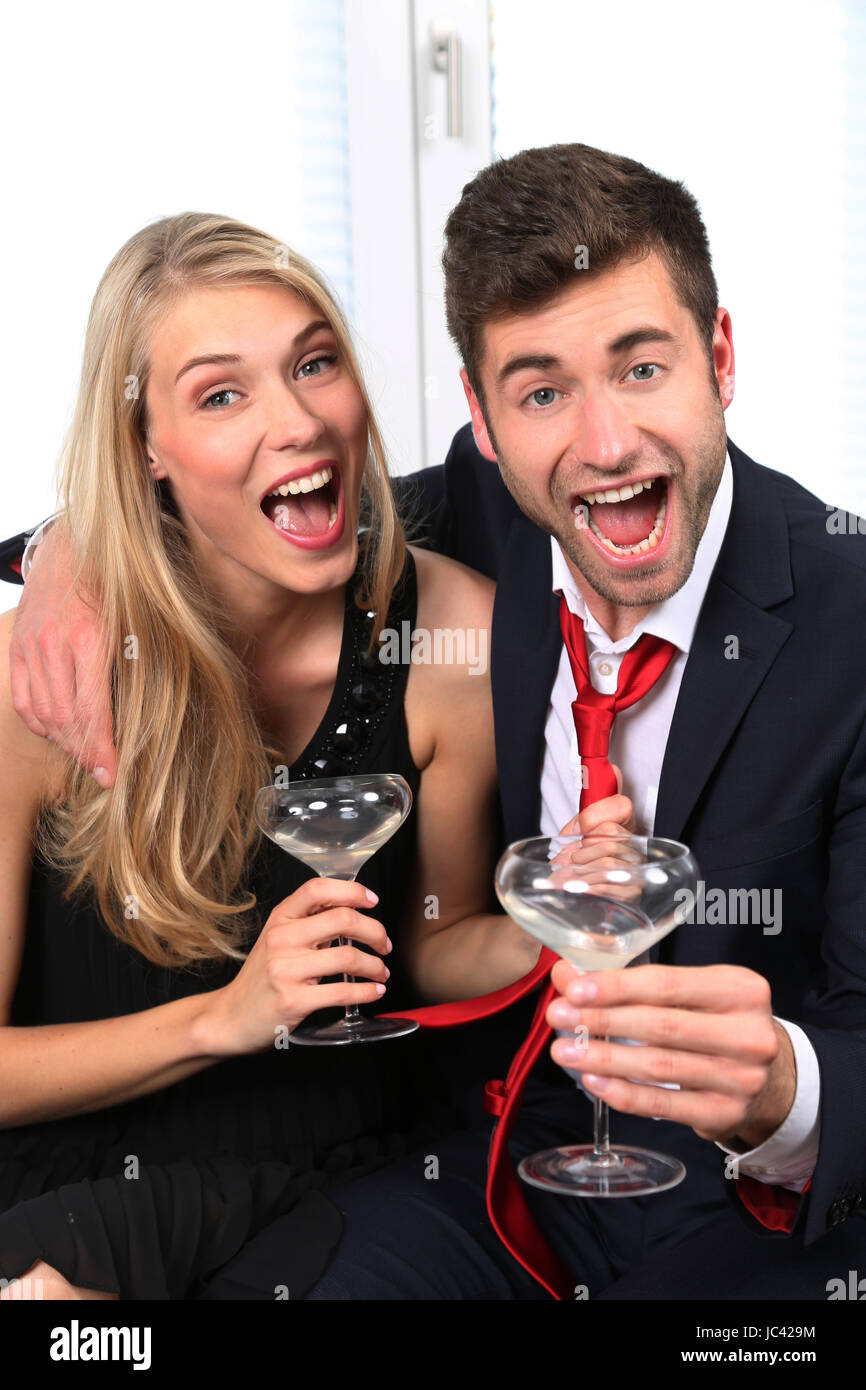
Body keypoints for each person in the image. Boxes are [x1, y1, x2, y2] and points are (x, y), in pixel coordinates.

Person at [8, 142, 866, 1302]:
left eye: (642, 367)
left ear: (717, 357)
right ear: (483, 418)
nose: (603, 444)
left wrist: (782, 1092)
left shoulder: (846, 621)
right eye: (542, 390)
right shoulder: (476, 516)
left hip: (753, 1203)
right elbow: (243, 513)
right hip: (482, 1166)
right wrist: (70, 557)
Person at [0, 210, 546, 1302]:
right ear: (143, 445)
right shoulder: (45, 672)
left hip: (341, 1181)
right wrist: (225, 1018)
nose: (296, 420)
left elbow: (435, 944)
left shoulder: (454, 639)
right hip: (66, 1192)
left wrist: (568, 922)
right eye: (220, 393)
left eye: (314, 363)